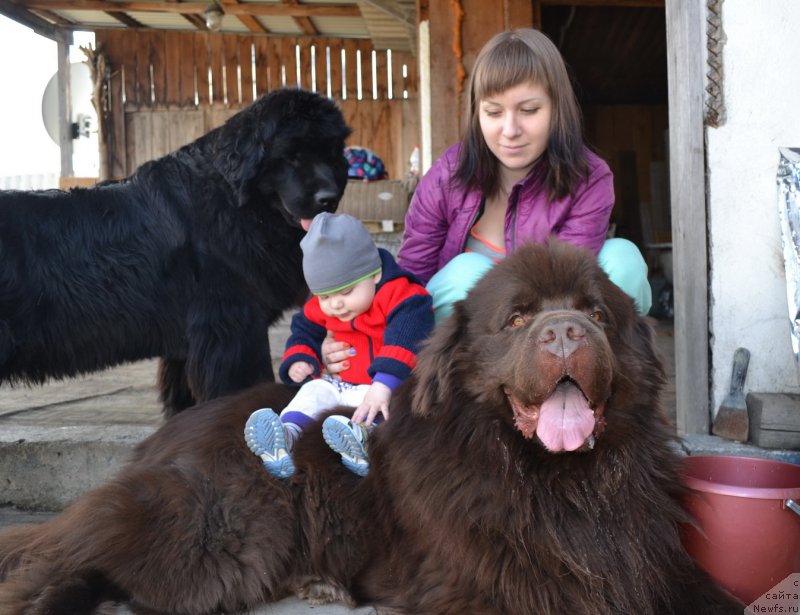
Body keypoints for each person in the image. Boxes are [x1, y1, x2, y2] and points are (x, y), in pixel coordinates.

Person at [323, 27, 652, 370]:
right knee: (467, 273)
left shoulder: (590, 177)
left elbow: (567, 286)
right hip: (469, 346)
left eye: (529, 110)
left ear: (557, 108)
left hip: (553, 331)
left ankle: (608, 378)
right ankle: (447, 386)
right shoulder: (446, 175)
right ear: (476, 112)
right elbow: (411, 276)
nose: (510, 130)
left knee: (623, 258)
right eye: (493, 112)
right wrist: (352, 336)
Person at [244, 212, 433, 478]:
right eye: (325, 297)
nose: (335, 304)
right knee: (314, 391)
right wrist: (302, 358)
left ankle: (364, 441)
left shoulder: (402, 295)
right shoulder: (327, 305)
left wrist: (384, 384)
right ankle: (286, 437)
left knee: (384, 407)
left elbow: (407, 336)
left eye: (346, 292)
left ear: (375, 275)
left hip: (383, 386)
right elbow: (305, 328)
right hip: (341, 384)